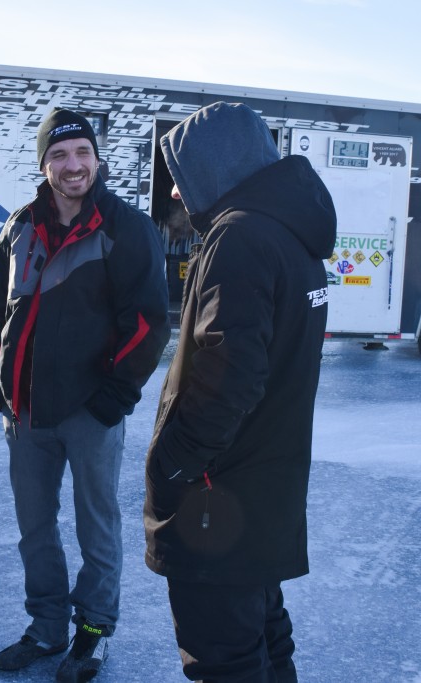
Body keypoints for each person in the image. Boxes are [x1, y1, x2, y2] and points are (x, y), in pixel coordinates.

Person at [144, 101, 337, 682]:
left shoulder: (241, 237)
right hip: (261, 496)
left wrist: (175, 463)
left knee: (224, 658)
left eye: (181, 178)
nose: (176, 195)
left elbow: (231, 374)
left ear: (217, 165)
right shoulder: (287, 231)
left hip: (218, 502)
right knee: (264, 639)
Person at [0, 108, 170, 682]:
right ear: (44, 163)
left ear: (96, 158)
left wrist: (113, 398)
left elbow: (148, 322)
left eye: (82, 153)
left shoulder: (125, 226)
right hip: (28, 410)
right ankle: (46, 628)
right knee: (34, 528)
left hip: (92, 410)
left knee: (97, 526)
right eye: (60, 155)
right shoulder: (19, 225)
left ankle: (92, 631)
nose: (73, 165)